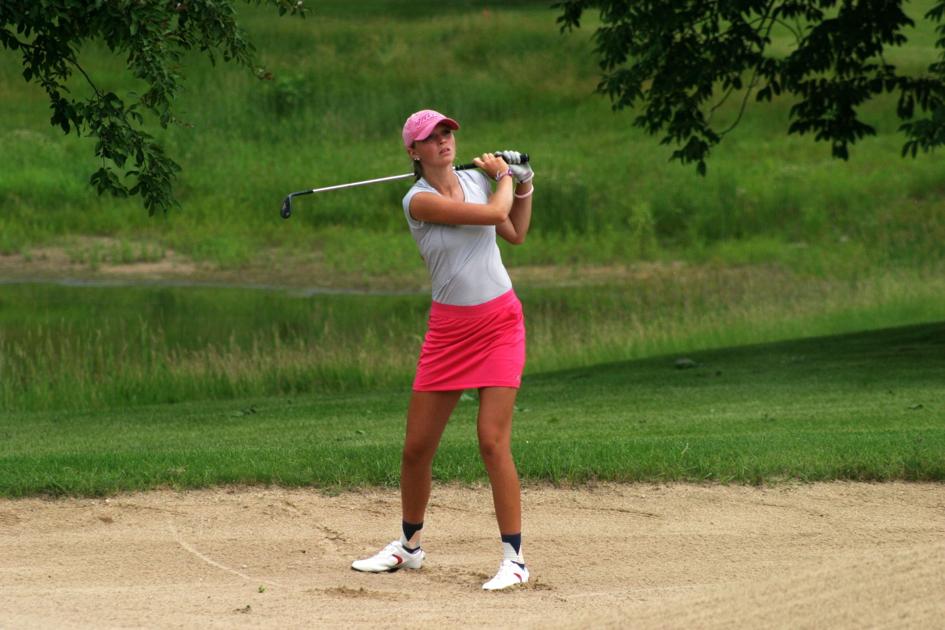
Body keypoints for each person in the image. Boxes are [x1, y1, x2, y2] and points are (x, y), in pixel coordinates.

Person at [351, 109, 535, 591]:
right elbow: (496, 214)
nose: (443, 141)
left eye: (447, 133)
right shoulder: (418, 201)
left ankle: (514, 559)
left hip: (499, 323)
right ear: (414, 152)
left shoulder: (477, 182)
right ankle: (409, 548)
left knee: (491, 440)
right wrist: (503, 177)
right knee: (416, 449)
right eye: (431, 138)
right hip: (449, 332)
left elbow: (514, 231)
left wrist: (524, 185)